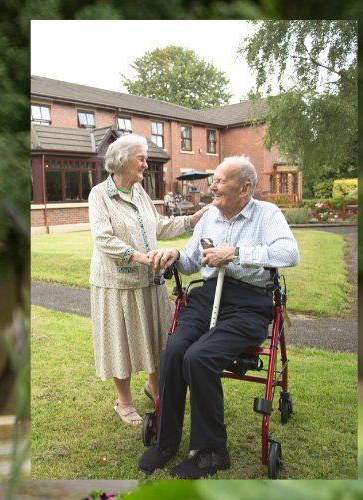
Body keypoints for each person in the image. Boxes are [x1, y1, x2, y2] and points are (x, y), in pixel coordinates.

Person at [137, 156, 300, 478]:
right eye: (215, 180)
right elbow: (190, 261)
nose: (213, 186)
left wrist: (236, 253)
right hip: (208, 297)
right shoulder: (210, 215)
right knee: (174, 352)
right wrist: (174, 255)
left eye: (222, 180)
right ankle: (166, 442)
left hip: (248, 303)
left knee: (199, 358)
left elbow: (289, 253)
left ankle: (212, 452)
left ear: (245, 188)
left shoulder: (267, 214)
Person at [88, 135, 205, 427]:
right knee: (120, 342)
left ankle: (154, 387)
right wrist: (141, 257)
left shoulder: (139, 191)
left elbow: (159, 226)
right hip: (116, 285)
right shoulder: (99, 195)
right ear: (121, 160)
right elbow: (103, 238)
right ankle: (124, 401)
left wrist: (193, 219)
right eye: (140, 157)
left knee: (158, 337)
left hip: (151, 281)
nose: (145, 163)